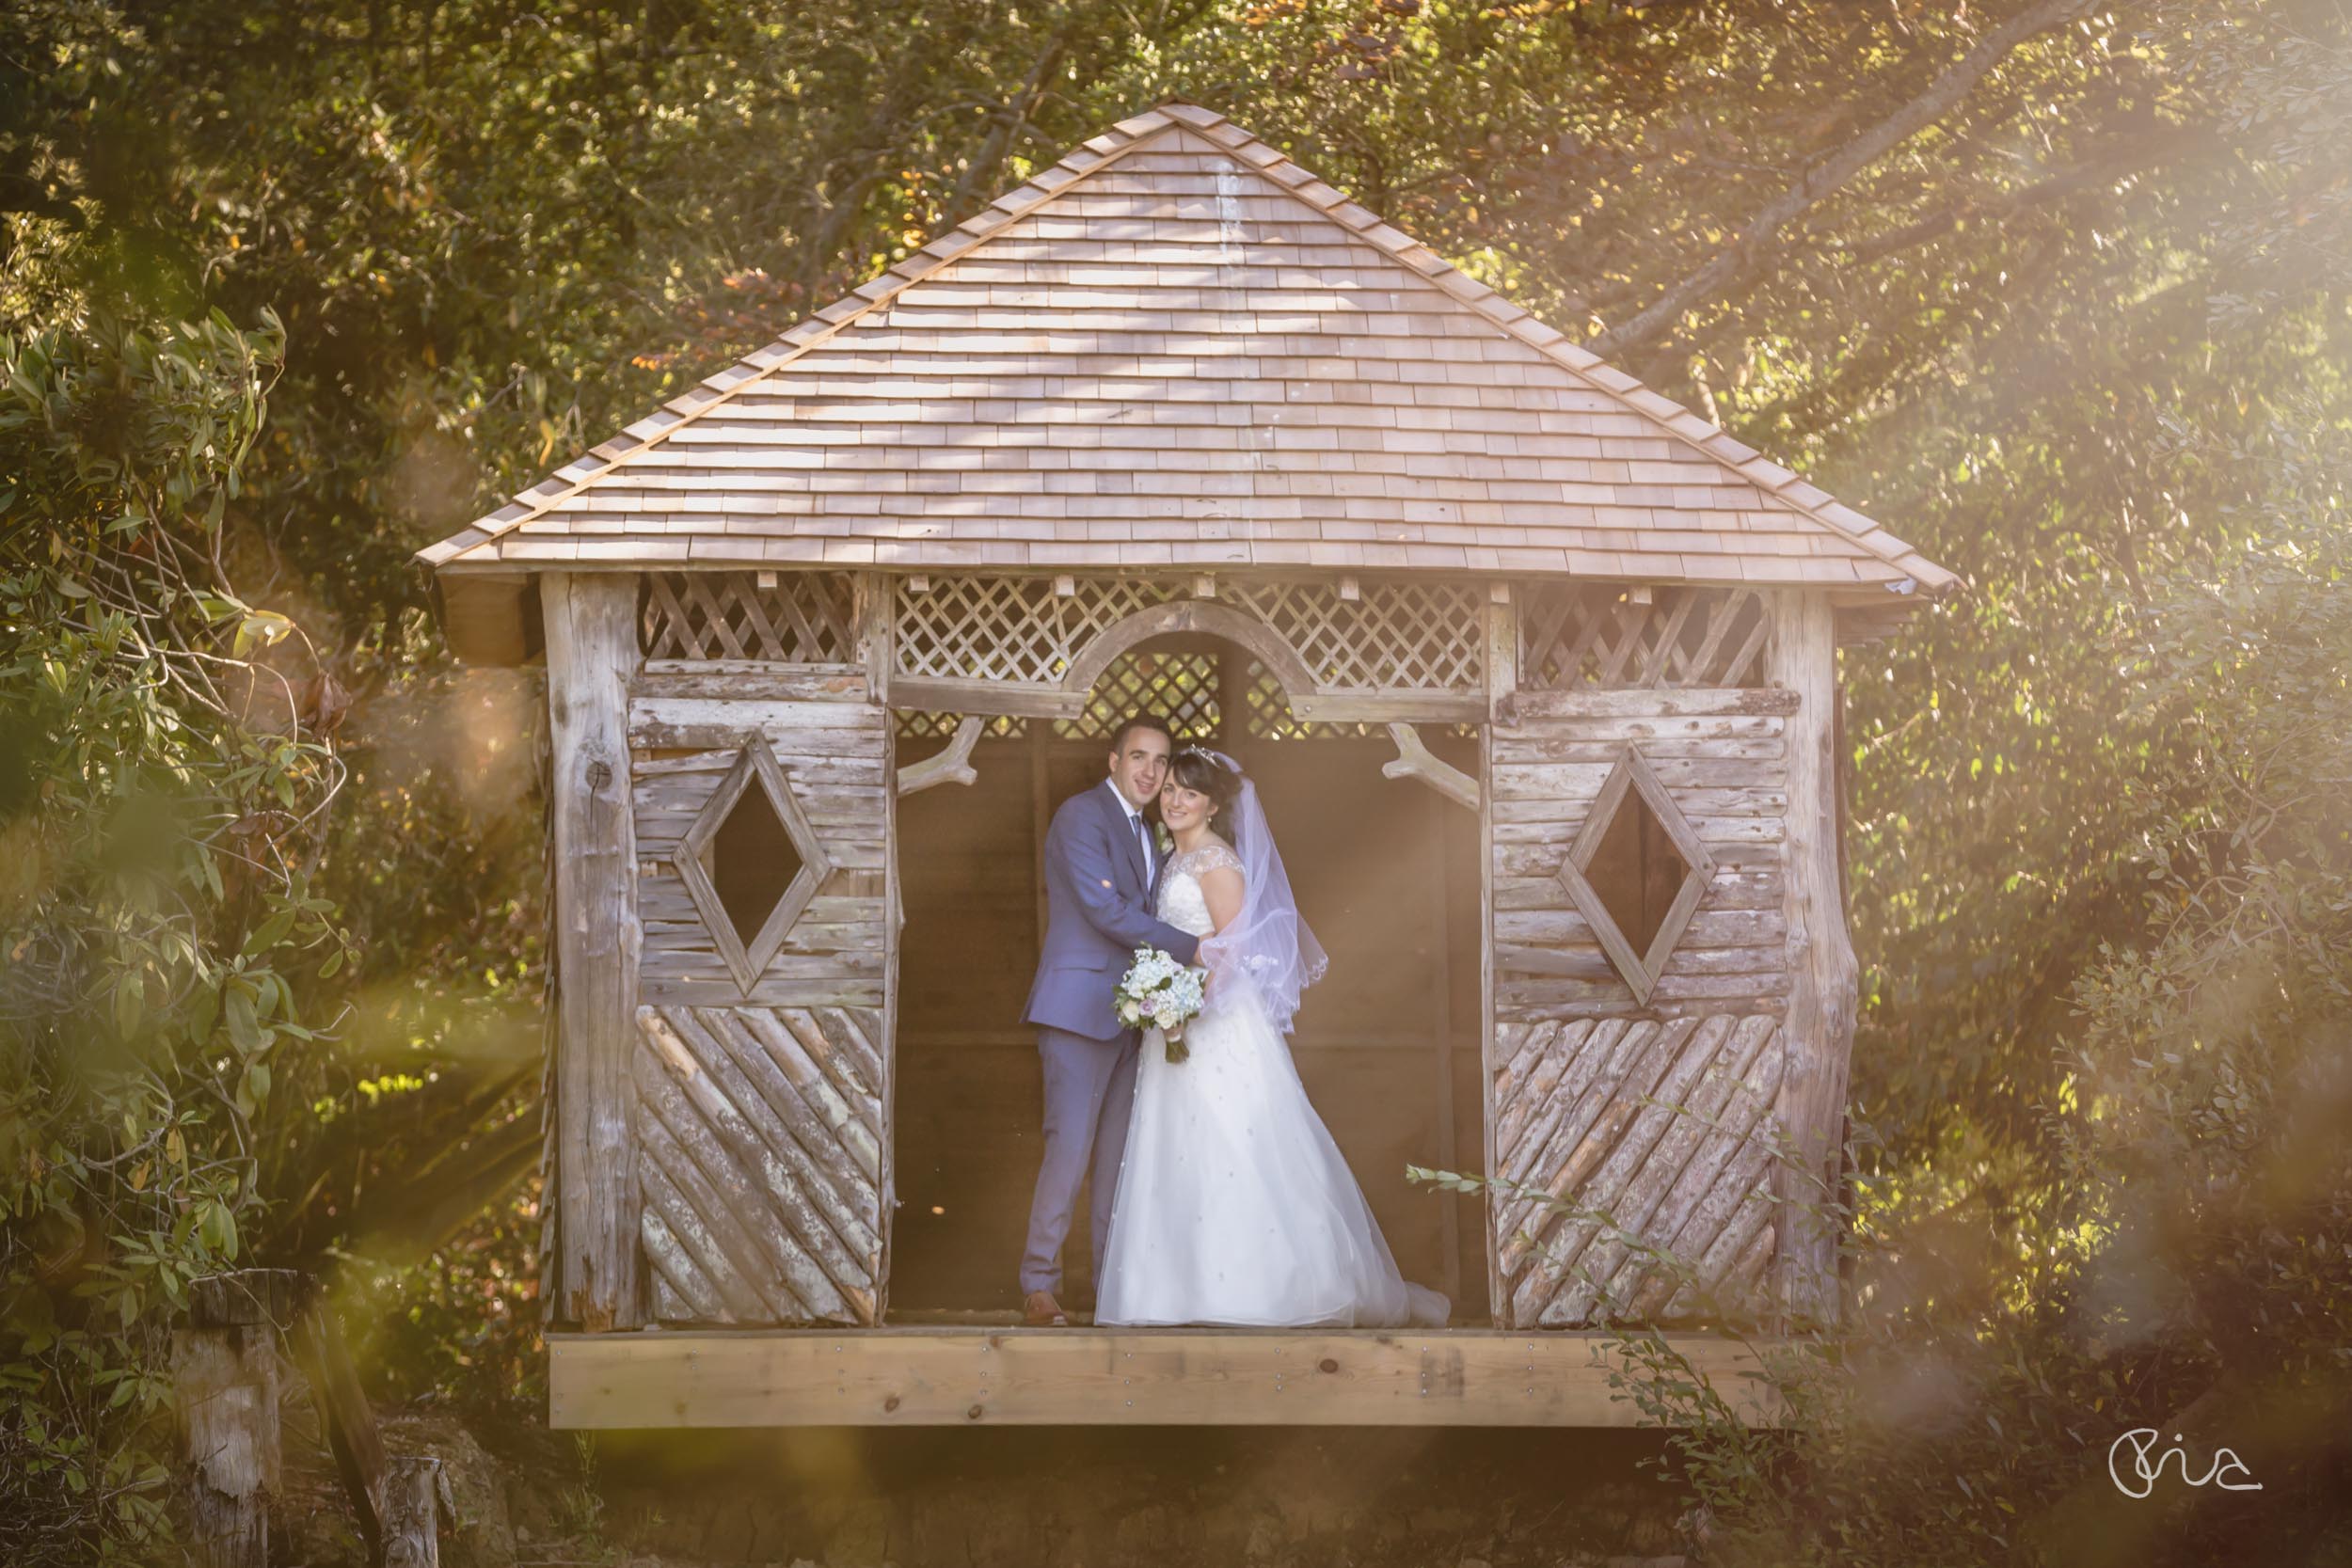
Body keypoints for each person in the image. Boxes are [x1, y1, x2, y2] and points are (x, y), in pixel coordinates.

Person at [1095, 745, 1449, 1328]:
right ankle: (1177, 1293)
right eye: (1171, 790)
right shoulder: (1170, 859)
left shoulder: (1217, 862)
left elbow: (1233, 953)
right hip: (1173, 1025)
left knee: (1237, 1145)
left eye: (1190, 792)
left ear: (1212, 804)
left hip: (1216, 1025)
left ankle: (1260, 1291)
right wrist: (1164, 1006)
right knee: (1176, 1152)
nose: (1176, 800)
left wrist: (1184, 1006)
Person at [1017, 714, 1202, 1328]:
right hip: (1078, 1011)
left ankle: (1107, 1288)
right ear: (1113, 761)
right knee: (1068, 1151)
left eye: (1160, 761)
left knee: (1119, 1163)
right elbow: (1102, 907)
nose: (1150, 771)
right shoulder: (1082, 816)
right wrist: (1189, 945)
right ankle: (1040, 1283)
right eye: (1139, 757)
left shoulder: (1149, 832)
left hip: (1134, 1020)